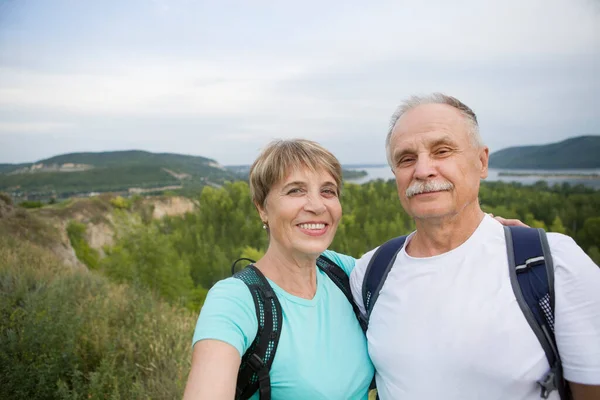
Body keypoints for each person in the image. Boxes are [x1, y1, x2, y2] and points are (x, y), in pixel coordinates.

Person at [349, 93, 600, 400]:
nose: (423, 169)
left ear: (481, 162)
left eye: (442, 151)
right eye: (406, 158)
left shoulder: (552, 265)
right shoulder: (371, 272)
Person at [183, 139, 373, 400]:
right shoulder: (235, 301)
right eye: (295, 190)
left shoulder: (343, 272)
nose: (317, 206)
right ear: (262, 208)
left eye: (328, 191)